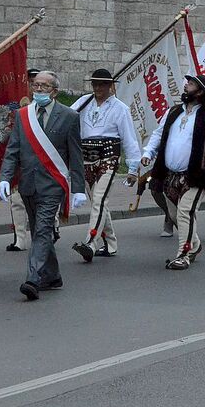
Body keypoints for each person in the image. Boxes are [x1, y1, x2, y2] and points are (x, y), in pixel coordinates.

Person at [0, 71, 86, 301]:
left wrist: (77, 188)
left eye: (44, 87)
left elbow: (75, 156)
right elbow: (12, 150)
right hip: (28, 183)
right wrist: (5, 178)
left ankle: (32, 279)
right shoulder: (22, 115)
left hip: (52, 184)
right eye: (35, 85)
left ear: (55, 91)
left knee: (44, 229)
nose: (38, 90)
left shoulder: (69, 116)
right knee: (39, 231)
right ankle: (53, 275)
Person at [141, 74, 205, 270]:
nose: (186, 86)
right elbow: (159, 133)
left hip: (196, 175)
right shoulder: (173, 111)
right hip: (169, 175)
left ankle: (184, 254)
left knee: (185, 212)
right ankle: (195, 244)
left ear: (200, 91)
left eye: (191, 84)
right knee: (175, 215)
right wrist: (148, 152)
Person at [70, 68, 141, 263]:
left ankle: (90, 242)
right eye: (95, 84)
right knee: (97, 202)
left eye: (102, 84)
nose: (98, 87)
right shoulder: (83, 103)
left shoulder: (120, 109)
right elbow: (66, 119)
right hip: (86, 158)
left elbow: (129, 139)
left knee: (100, 199)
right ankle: (110, 243)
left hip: (108, 157)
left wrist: (133, 168)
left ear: (111, 86)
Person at [6, 68, 40, 252]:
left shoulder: (49, 105)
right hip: (22, 158)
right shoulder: (16, 105)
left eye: (36, 81)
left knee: (42, 198)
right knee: (17, 199)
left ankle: (52, 229)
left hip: (42, 159)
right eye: (30, 81)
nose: (32, 85)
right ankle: (20, 238)